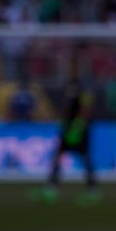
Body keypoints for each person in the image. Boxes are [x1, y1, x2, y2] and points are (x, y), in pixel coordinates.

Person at [38, 67, 99, 205]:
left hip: (77, 133)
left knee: (84, 161)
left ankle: (92, 189)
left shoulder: (80, 98)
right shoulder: (72, 97)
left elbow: (83, 114)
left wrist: (77, 128)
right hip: (69, 133)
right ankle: (52, 188)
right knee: (61, 159)